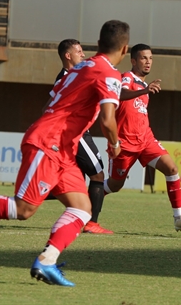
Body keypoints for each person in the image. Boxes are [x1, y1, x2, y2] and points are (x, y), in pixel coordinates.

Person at [0, 20, 129, 286]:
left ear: (98, 45)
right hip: (50, 143)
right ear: (125, 49)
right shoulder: (109, 74)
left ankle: (47, 261)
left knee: (81, 209)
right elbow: (108, 120)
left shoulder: (81, 67)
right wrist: (114, 144)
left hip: (63, 147)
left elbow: (49, 103)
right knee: (23, 209)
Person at [103, 43, 181, 232]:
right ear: (133, 61)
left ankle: (178, 218)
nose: (148, 62)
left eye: (151, 58)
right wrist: (144, 91)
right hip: (125, 144)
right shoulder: (126, 78)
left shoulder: (145, 85)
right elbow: (120, 94)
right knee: (114, 186)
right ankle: (86, 197)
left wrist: (145, 90)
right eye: (144, 58)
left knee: (171, 168)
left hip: (146, 140)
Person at [43, 39, 113, 234]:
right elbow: (50, 108)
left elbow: (47, 106)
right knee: (98, 175)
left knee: (75, 184)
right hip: (77, 132)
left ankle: (29, 197)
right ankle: (92, 224)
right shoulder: (66, 78)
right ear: (68, 55)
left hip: (74, 132)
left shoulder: (73, 75)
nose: (83, 55)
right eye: (79, 51)